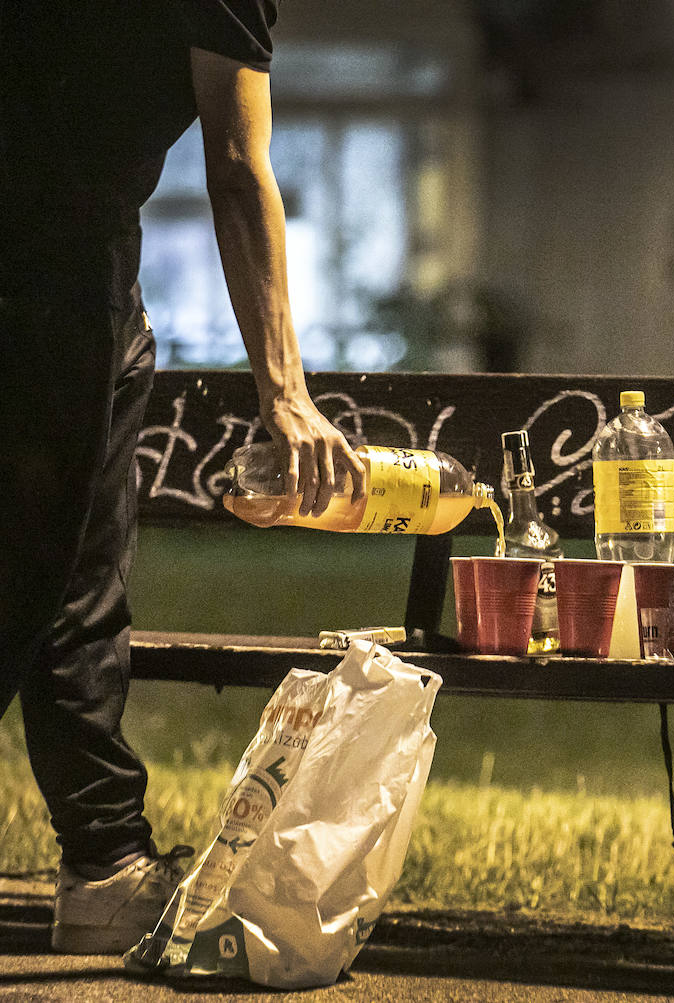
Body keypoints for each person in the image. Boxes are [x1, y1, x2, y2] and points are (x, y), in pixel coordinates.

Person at [0, 2, 365, 953]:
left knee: (78, 576)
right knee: (22, 579)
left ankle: (107, 862)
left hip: (80, 262)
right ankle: (106, 858)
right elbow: (239, 166)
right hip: (43, 263)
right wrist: (284, 392)